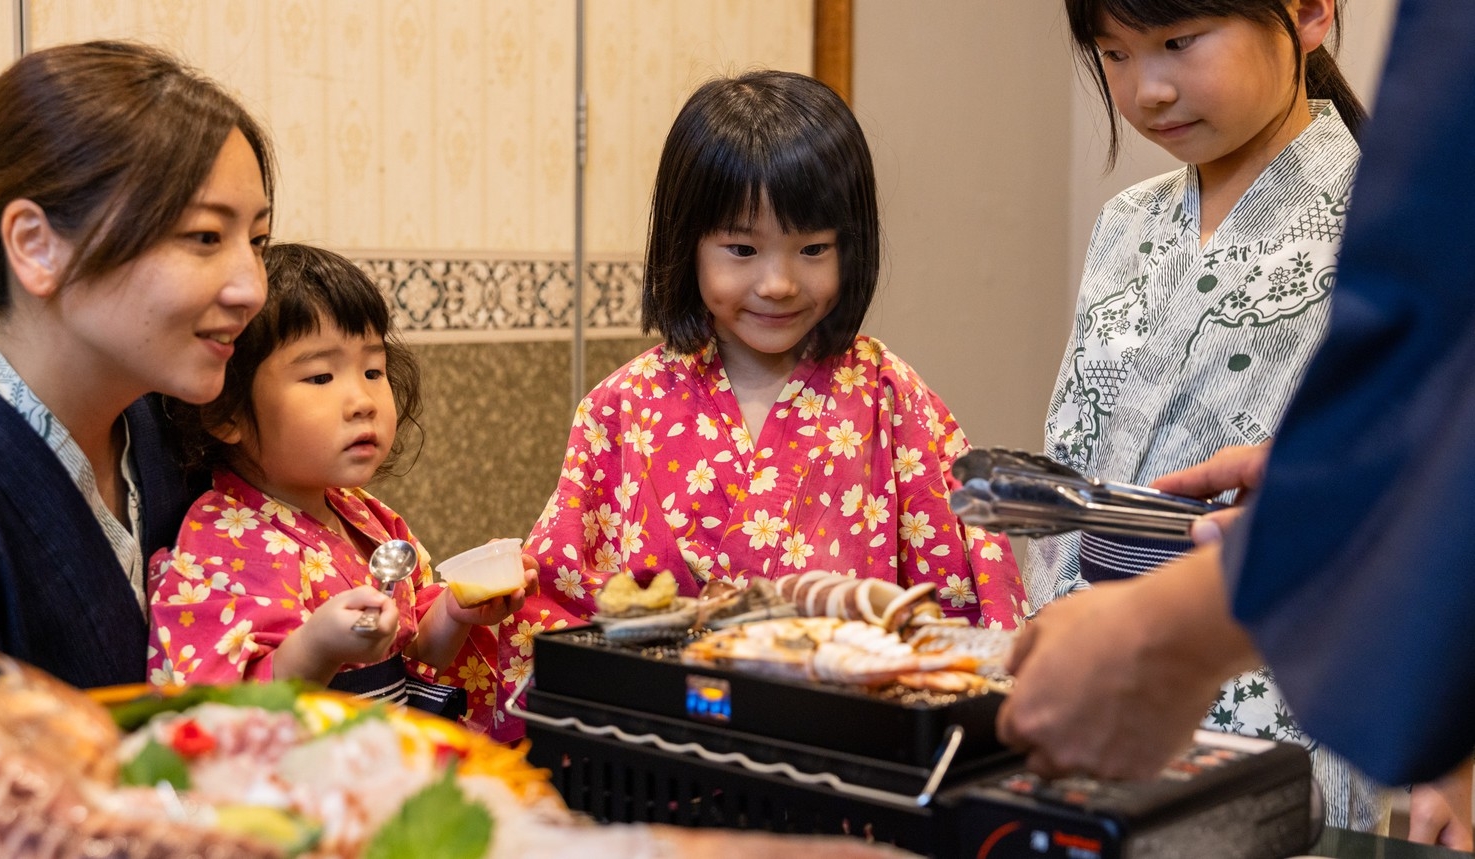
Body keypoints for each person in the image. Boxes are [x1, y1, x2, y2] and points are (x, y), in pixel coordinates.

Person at [999, 0, 1475, 841]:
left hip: (1275, 724)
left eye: (1179, 43)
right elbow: (1071, 464)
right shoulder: (1122, 226)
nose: (1146, 90)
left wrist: (1458, 756)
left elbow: (1439, 490)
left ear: (1308, 13)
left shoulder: (1385, 225)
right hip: (1094, 690)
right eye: (1113, 55)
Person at [496, 70, 1026, 725]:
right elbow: (556, 603)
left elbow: (966, 594)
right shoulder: (620, 408)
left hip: (845, 747)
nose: (777, 283)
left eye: (812, 249)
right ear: (685, 244)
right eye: (741, 249)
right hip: (660, 749)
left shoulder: (891, 398)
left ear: (850, 248)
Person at [0, 41, 274, 689]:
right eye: (204, 236)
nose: (252, 287)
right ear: (37, 245)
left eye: (257, 241)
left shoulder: (165, 422)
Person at [147, 243, 537, 730]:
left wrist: (456, 611)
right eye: (320, 376)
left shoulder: (367, 517)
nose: (363, 400)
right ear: (227, 412)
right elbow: (218, 712)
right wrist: (317, 648)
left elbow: (413, 658)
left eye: (373, 370)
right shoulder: (219, 542)